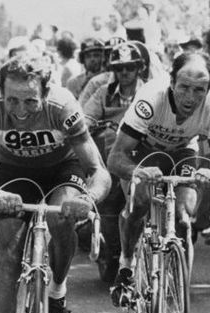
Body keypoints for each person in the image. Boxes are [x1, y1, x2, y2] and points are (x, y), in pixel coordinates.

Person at [0, 51, 111, 313]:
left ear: (46, 93)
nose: (19, 111)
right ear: (1, 92)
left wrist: (87, 200)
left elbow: (98, 171)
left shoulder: (63, 107)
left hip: (61, 170)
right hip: (12, 175)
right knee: (8, 256)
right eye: (12, 100)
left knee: (59, 217)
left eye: (30, 101)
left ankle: (57, 293)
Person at [107, 52, 210, 313]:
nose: (191, 97)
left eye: (199, 90)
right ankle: (126, 264)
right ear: (171, 81)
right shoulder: (150, 99)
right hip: (143, 150)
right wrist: (137, 173)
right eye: (184, 87)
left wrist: (206, 170)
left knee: (185, 218)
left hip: (182, 151)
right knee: (139, 203)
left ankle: (180, 309)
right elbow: (115, 158)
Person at [83, 41, 146, 281]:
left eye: (130, 67)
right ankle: (114, 253)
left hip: (140, 155)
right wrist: (88, 126)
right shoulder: (103, 92)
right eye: (120, 68)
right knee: (109, 204)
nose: (125, 73)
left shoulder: (149, 92)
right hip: (112, 157)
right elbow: (86, 117)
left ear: (139, 68)